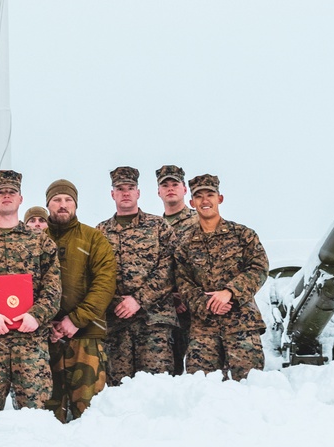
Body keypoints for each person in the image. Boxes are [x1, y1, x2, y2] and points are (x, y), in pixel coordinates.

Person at [0, 171, 61, 415]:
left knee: (34, 415)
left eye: (11, 192)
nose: (7, 196)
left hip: (31, 342)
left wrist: (36, 315)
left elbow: (53, 287)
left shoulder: (41, 243)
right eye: (1, 192)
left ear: (20, 198)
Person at [172, 174, 268, 380]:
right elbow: (182, 282)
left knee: (249, 387)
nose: (205, 201)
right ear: (191, 202)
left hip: (241, 325)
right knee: (201, 388)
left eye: (210, 194)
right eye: (199, 196)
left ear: (220, 198)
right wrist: (207, 303)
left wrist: (229, 293)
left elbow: (259, 268)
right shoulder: (185, 244)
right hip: (203, 330)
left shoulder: (243, 235)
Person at [96, 167, 178, 385]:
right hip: (116, 322)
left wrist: (139, 300)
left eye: (130, 188)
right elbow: (95, 275)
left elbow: (169, 267)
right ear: (112, 194)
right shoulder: (100, 232)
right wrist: (115, 302)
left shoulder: (159, 226)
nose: (125, 193)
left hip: (154, 321)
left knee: (157, 388)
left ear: (138, 193)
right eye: (120, 189)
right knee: (119, 392)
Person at [44, 180, 117, 422]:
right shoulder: (37, 240)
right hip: (45, 339)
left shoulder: (93, 238)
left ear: (75, 204)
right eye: (57, 200)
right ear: (48, 204)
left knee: (89, 413)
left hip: (86, 337)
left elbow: (105, 283)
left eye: (68, 200)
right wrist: (47, 324)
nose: (62, 205)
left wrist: (75, 320)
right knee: (46, 413)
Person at [156, 164, 195, 375]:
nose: (170, 188)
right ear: (159, 192)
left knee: (198, 372)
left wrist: (185, 295)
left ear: (184, 189)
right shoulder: (153, 227)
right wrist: (171, 295)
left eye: (175, 184)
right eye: (165, 185)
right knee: (171, 370)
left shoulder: (199, 221)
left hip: (196, 309)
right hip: (166, 308)